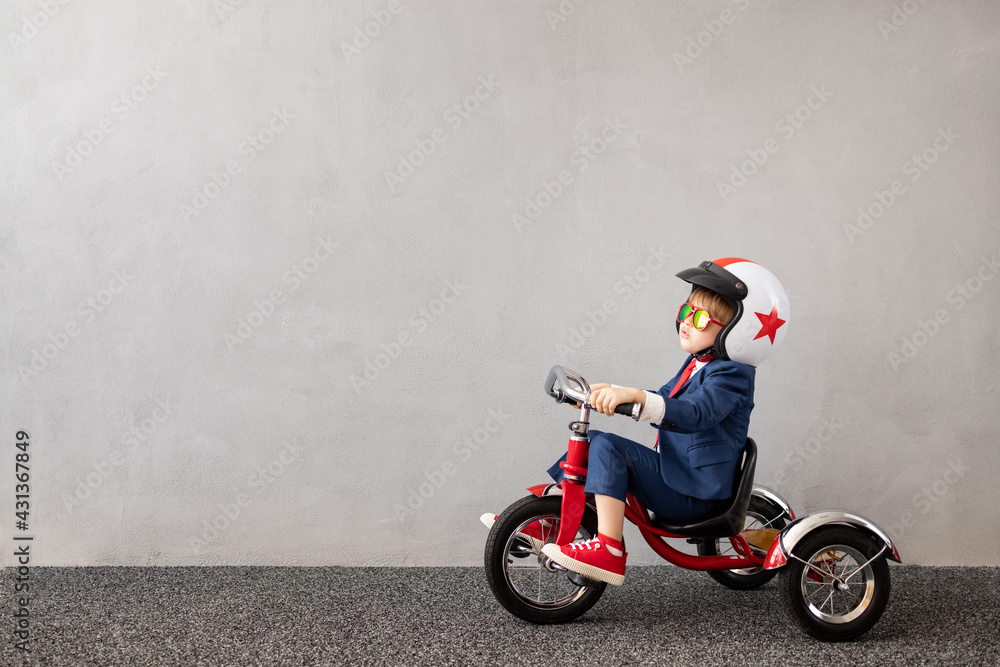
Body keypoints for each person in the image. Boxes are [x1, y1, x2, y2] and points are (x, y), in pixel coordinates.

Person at [533, 258, 790, 586]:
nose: (686, 323)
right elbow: (664, 397)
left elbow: (695, 413)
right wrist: (614, 393)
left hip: (696, 496)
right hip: (678, 475)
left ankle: (609, 550)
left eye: (699, 318)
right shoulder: (698, 362)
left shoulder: (732, 376)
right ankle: (553, 520)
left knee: (609, 447)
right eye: (686, 312)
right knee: (596, 439)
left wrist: (639, 398)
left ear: (738, 331)